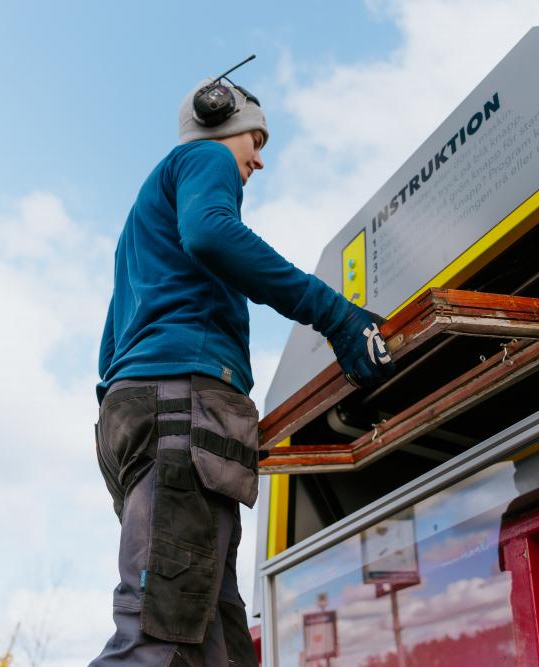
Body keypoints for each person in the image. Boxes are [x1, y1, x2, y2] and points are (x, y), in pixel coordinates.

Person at [90, 73, 395, 666]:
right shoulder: (202, 159)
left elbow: (111, 356)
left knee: (217, 643)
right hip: (181, 407)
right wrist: (336, 316)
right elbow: (212, 233)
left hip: (138, 412)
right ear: (220, 121)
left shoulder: (142, 228)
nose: (258, 160)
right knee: (157, 636)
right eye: (256, 140)